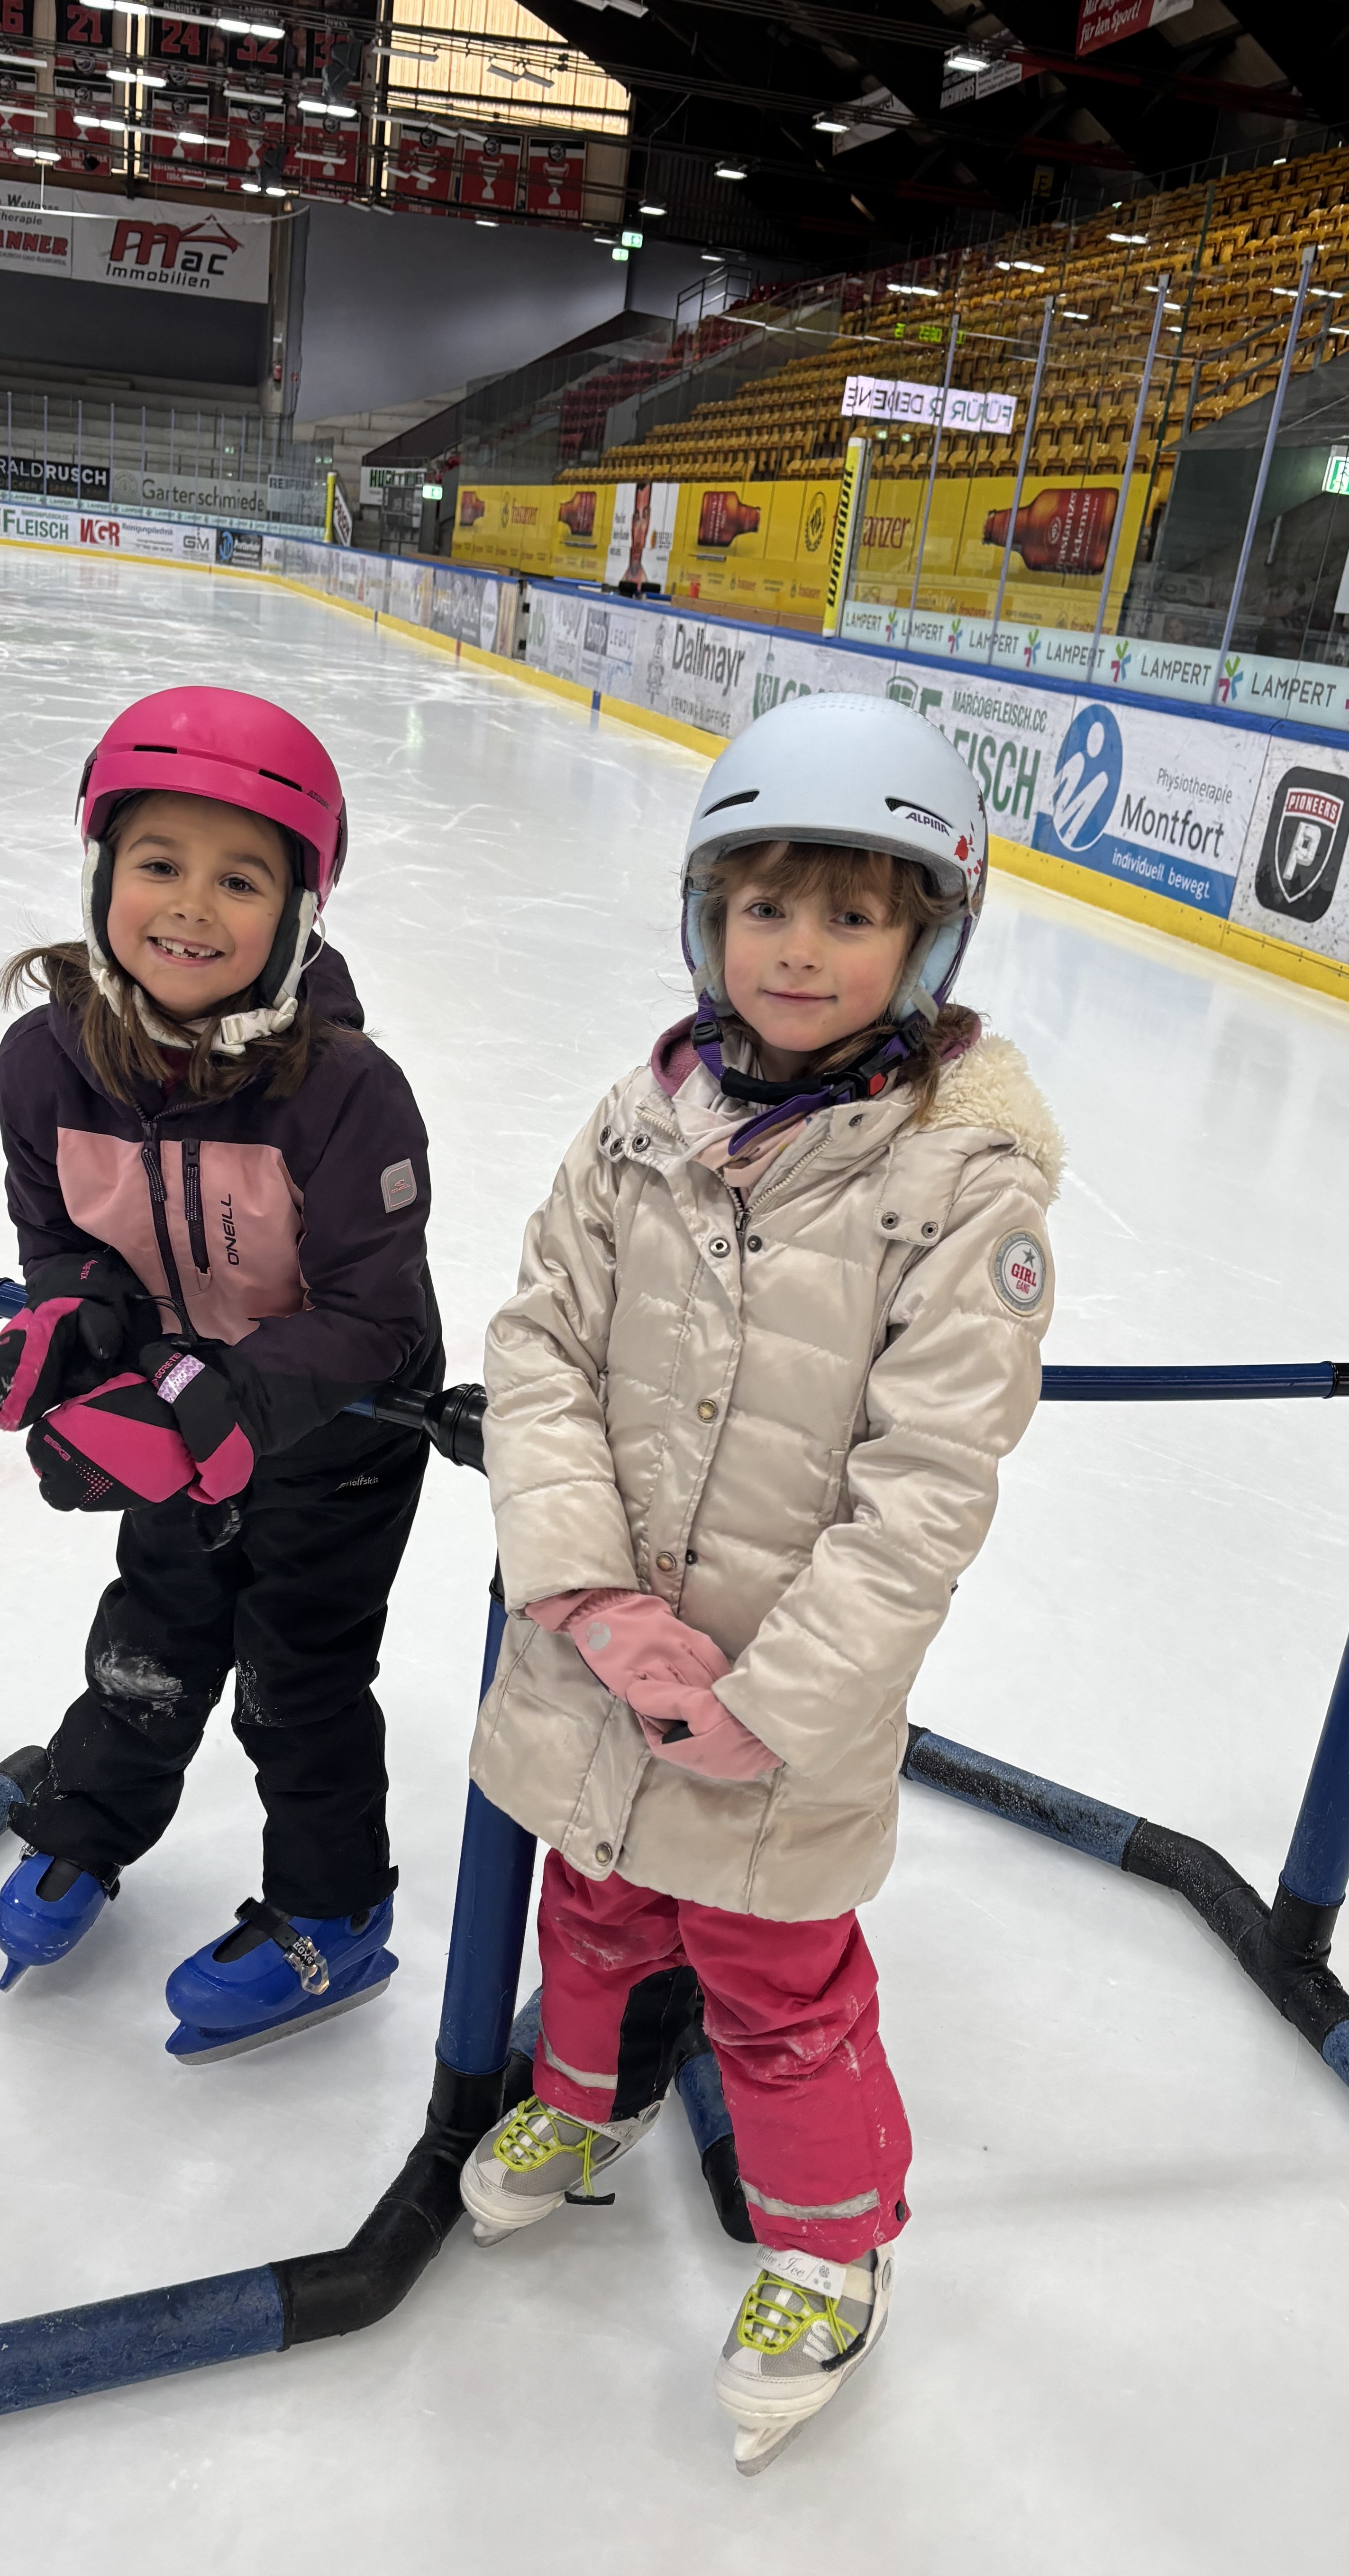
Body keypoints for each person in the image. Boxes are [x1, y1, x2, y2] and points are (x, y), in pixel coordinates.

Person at [458, 693, 1063, 2473]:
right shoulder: (638, 1121)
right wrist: (586, 1597)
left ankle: (827, 2247)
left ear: (926, 940)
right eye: (764, 905)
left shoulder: (962, 1188)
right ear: (705, 919)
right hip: (603, 1656)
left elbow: (925, 1487)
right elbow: (538, 1348)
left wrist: (774, 1703)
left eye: (851, 913)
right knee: (595, 1903)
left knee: (777, 1981)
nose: (798, 947)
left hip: (785, 1701)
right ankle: (586, 2099)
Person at [0, 687, 442, 2059]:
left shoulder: (347, 1091)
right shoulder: (41, 1063)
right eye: (158, 863)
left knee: (297, 1680)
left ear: (298, 912)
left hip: (339, 1436)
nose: (191, 906)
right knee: (153, 1630)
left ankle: (335, 1912)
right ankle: (85, 1827)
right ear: (101, 873)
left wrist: (217, 1402)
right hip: (171, 1410)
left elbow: (374, 1316)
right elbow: (59, 1237)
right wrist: (78, 1323)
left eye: (241, 880)